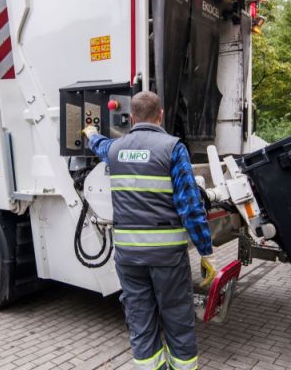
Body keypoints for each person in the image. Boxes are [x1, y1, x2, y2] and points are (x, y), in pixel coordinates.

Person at [82, 91, 215, 370]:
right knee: (177, 317)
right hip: (166, 257)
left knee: (140, 318)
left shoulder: (116, 149)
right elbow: (190, 206)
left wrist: (90, 132)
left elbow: (99, 145)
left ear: (131, 118)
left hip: (128, 257)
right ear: (161, 115)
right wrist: (206, 250)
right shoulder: (172, 148)